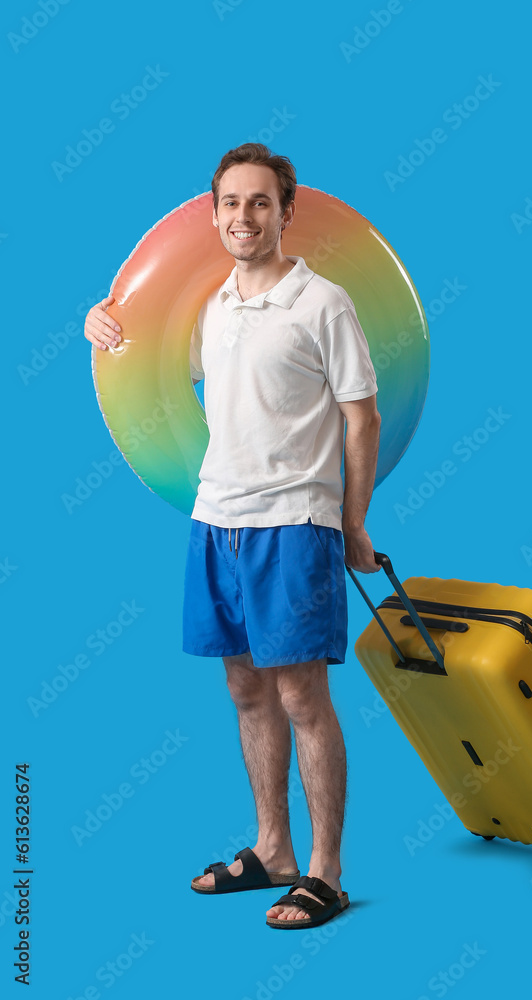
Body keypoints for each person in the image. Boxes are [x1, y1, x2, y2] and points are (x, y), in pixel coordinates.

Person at [84, 143, 381, 929]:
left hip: (295, 524)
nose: (243, 217)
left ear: (286, 213)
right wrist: (99, 321)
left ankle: (327, 872)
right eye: (230, 203)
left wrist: (352, 521)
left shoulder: (324, 304)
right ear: (213, 214)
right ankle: (273, 850)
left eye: (259, 203)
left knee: (300, 694)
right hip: (217, 520)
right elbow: (139, 353)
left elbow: (362, 414)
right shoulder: (212, 307)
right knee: (245, 688)